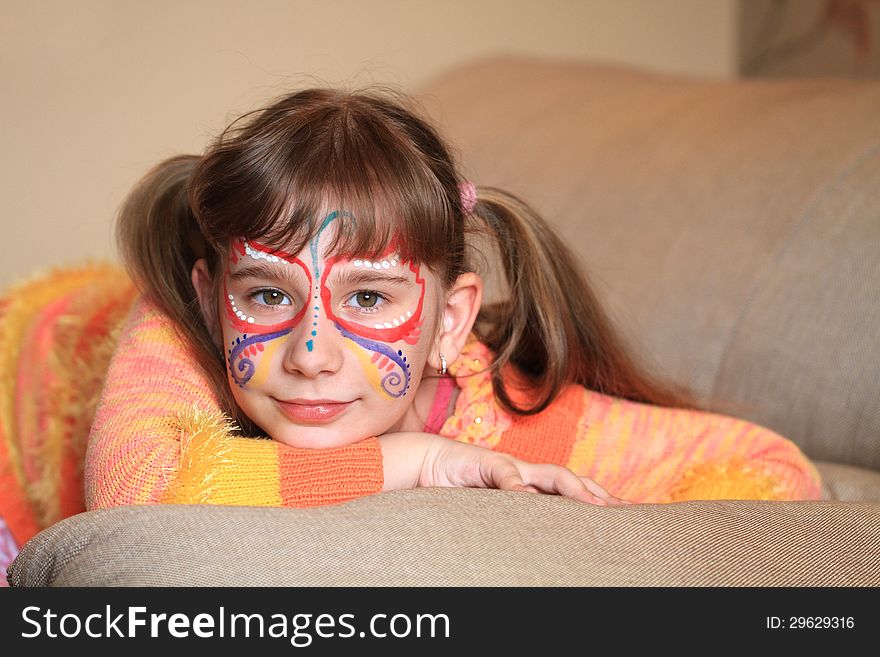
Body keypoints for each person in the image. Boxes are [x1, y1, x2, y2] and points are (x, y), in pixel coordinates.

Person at [0, 88, 821, 577]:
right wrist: (417, 460)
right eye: (264, 296)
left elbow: (771, 469)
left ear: (449, 321)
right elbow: (136, 496)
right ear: (212, 297)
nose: (311, 352)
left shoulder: (517, 421)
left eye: (367, 298)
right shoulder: (174, 329)